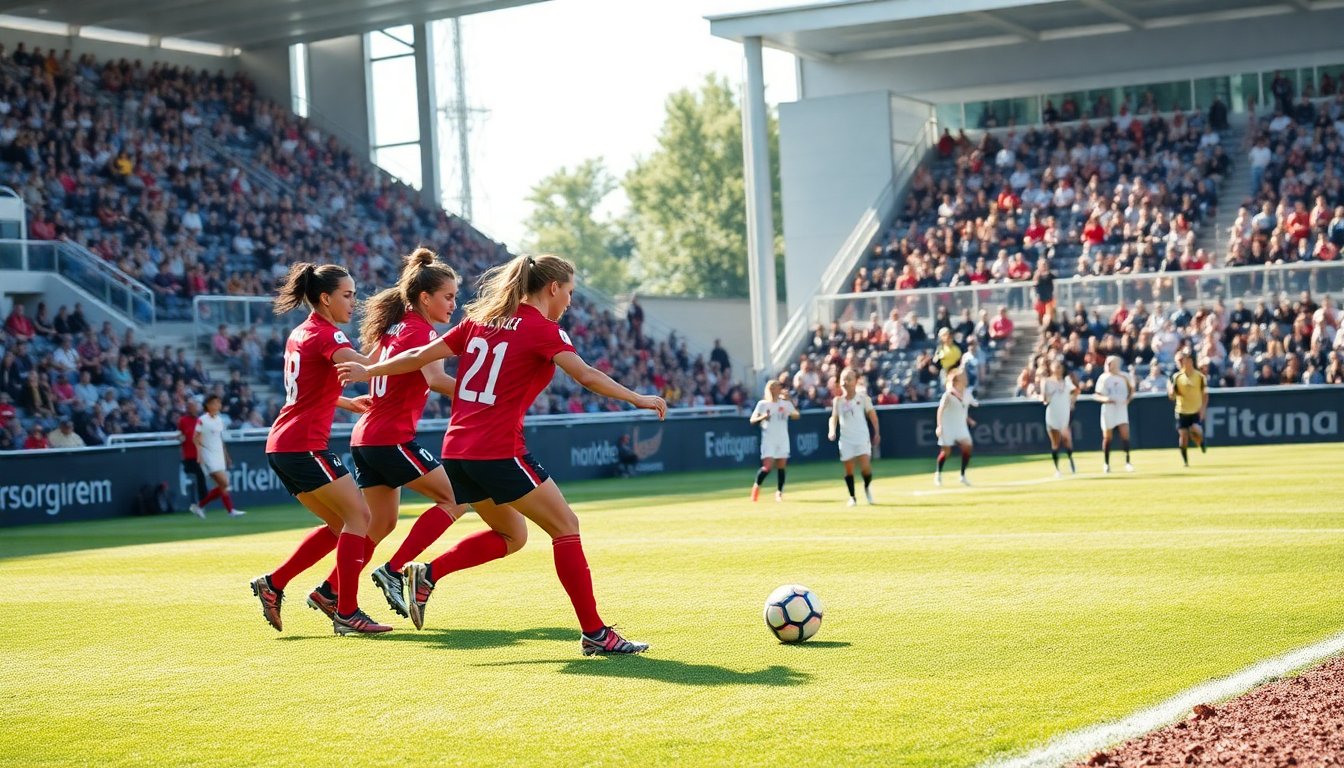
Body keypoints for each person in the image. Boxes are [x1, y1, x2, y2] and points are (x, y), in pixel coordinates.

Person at [338, 253, 666, 655]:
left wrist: (369, 372)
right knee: (566, 527)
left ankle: (426, 574)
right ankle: (596, 634)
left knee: (513, 535)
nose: (569, 302)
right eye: (569, 292)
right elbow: (585, 375)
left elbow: (418, 358)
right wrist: (636, 397)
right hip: (498, 449)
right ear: (552, 288)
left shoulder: (477, 322)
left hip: (457, 450)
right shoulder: (542, 329)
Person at [325, 249, 473, 622]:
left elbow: (368, 365)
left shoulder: (393, 327)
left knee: (382, 522)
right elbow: (437, 379)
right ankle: (395, 570)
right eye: (449, 296)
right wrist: (487, 394)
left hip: (366, 438)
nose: (454, 304)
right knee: (456, 498)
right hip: (388, 438)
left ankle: (331, 590)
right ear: (425, 297)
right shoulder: (421, 330)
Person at [248, 262, 389, 636]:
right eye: (347, 295)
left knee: (340, 524)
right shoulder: (330, 336)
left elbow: (306, 388)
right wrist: (412, 346)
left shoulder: (300, 332)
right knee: (361, 517)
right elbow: (372, 366)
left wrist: (343, 403)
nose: (353, 302)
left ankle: (274, 583)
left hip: (283, 443)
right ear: (325, 298)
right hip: (304, 444)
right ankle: (346, 610)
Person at [827, 368, 879, 506]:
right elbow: (833, 417)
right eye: (844, 378)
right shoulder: (838, 401)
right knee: (848, 469)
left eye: (849, 378)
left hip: (862, 437)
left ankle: (867, 488)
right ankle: (852, 497)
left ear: (855, 381)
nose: (846, 381)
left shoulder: (863, 398)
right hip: (846, 440)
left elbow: (872, 416)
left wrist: (877, 432)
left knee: (865, 467)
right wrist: (831, 431)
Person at [189, 394, 244, 519]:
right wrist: (200, 454)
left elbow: (220, 439)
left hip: (218, 455)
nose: (218, 405)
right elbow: (195, 438)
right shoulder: (202, 420)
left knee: (222, 486)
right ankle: (229, 510)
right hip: (207, 456)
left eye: (219, 403)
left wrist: (227, 456)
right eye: (215, 403)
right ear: (208, 405)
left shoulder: (219, 420)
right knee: (225, 483)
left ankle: (201, 506)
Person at [750, 380, 800, 502]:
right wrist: (763, 417)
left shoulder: (785, 403)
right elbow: (752, 420)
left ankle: (779, 493)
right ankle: (756, 488)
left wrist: (790, 402)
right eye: (772, 387)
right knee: (767, 467)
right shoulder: (762, 404)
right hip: (768, 439)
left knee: (781, 466)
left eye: (776, 387)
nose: (774, 390)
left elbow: (796, 415)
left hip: (782, 439)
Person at [934, 367, 977, 486]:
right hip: (947, 426)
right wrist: (939, 426)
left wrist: (969, 420)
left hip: (961, 426)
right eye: (962, 377)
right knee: (946, 452)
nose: (965, 378)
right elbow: (940, 409)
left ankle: (962, 476)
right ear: (957, 380)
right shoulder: (948, 395)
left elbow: (965, 407)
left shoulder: (967, 393)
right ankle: (938, 474)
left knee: (967, 446)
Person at [1169, 350, 1208, 467]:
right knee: (1183, 436)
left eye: (1184, 360)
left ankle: (1201, 442)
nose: (1182, 362)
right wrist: (1171, 392)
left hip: (1195, 410)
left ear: (1190, 361)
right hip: (1182, 411)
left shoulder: (1200, 377)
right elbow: (1172, 396)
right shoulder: (1177, 377)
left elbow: (1205, 394)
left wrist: (1203, 409)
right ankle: (1185, 462)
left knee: (1196, 429)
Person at [1094, 356, 1134, 473]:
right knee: (1107, 437)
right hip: (1108, 410)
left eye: (1112, 363)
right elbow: (1097, 394)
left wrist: (1128, 400)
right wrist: (1106, 399)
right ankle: (1106, 464)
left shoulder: (1125, 376)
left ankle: (1128, 462)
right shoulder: (1103, 378)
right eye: (1108, 363)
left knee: (1125, 434)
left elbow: (1132, 390)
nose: (1109, 365)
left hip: (1121, 409)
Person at [1039, 360, 1077, 477]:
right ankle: (1057, 468)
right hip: (1052, 414)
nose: (1058, 369)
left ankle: (1071, 460)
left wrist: (1072, 402)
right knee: (1055, 443)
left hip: (1064, 414)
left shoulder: (1067, 381)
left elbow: (1075, 391)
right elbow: (1044, 399)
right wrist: (1047, 397)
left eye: (1059, 367)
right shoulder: (1047, 382)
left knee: (1067, 439)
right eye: (1055, 367)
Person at [176, 399, 208, 512]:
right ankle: (200, 503)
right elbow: (181, 436)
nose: (194, 409)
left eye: (195, 407)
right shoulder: (183, 421)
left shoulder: (200, 421)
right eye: (191, 407)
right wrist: (181, 438)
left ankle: (201, 503)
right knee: (199, 476)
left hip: (199, 455)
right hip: (188, 456)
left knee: (200, 478)